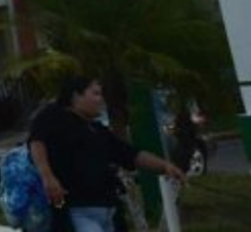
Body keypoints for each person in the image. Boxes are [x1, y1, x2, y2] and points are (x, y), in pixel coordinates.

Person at [29, 76, 187, 232]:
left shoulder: (98, 131)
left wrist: (165, 166)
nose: (101, 100)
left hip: (108, 210)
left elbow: (131, 154)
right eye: (95, 94)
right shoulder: (54, 117)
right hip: (76, 209)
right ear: (76, 96)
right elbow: (36, 141)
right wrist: (47, 177)